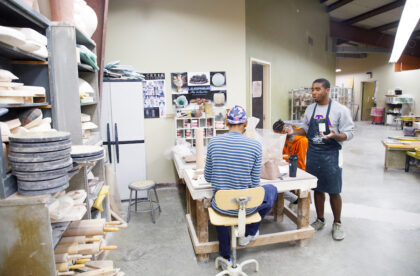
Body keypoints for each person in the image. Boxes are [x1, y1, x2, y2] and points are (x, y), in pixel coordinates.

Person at [205, 105, 278, 263]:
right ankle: (249, 232)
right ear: (245, 123)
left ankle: (226, 256)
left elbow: (208, 177)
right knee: (271, 190)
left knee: (222, 199)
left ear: (226, 122)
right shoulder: (255, 146)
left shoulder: (213, 142)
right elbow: (254, 183)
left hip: (220, 206)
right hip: (246, 207)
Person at [284, 78, 354, 241]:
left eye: (318, 89)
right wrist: (292, 132)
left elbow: (349, 133)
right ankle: (320, 219)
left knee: (334, 190)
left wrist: (336, 135)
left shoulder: (340, 110)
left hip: (332, 154)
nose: (314, 92)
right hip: (314, 154)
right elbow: (306, 129)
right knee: (317, 188)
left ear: (327, 90)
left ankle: (337, 222)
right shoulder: (310, 109)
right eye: (312, 89)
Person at [273, 119, 309, 211]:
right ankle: (294, 200)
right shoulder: (284, 138)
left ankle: (298, 202)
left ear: (285, 130)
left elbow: (301, 163)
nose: (278, 137)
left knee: (293, 186)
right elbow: (282, 154)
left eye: (278, 134)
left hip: (299, 170)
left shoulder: (302, 141)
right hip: (287, 167)